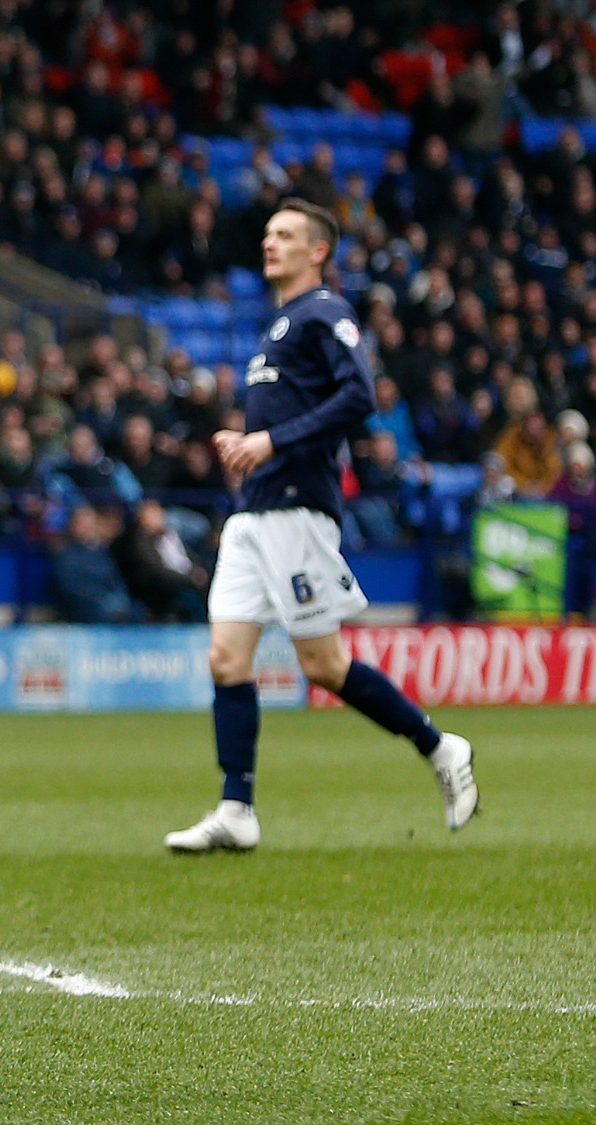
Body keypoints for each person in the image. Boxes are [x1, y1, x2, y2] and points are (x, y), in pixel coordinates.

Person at [165, 199, 477, 853]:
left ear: (319, 251)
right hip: (254, 513)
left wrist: (270, 441)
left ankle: (441, 745)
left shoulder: (325, 312)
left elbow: (359, 395)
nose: (269, 243)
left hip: (297, 511)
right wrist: (247, 442)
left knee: (324, 664)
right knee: (226, 655)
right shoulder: (277, 325)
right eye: (268, 233)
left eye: (285, 235)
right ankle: (237, 806)